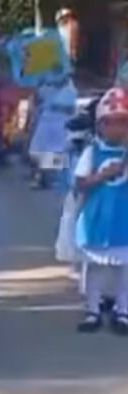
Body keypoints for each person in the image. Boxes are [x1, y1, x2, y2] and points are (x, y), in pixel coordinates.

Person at [74, 88, 128, 334]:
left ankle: (123, 310)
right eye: (112, 123)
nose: (118, 129)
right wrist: (103, 175)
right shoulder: (92, 152)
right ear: (101, 126)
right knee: (94, 266)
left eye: (123, 123)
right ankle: (93, 309)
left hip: (123, 216)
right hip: (97, 216)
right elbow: (80, 183)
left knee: (124, 267)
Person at [29, 75, 78, 190]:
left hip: (61, 123)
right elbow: (38, 100)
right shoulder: (46, 88)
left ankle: (52, 177)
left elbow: (72, 109)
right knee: (41, 150)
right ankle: (41, 176)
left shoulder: (70, 91)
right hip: (47, 121)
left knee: (58, 151)